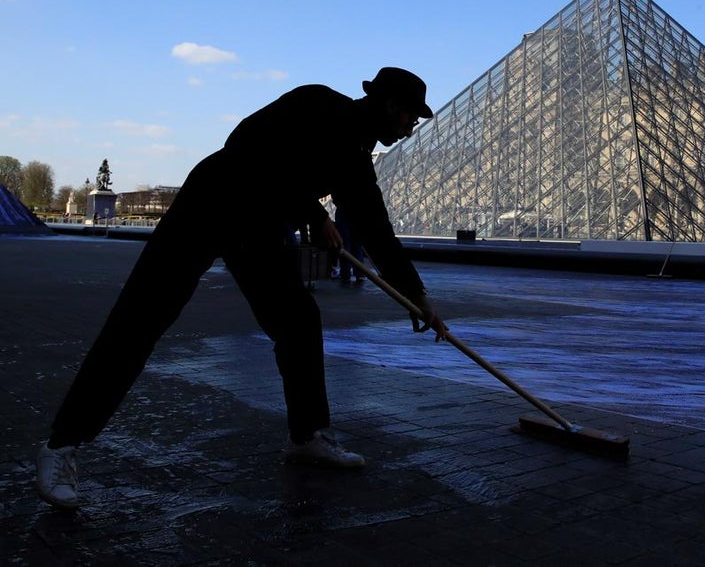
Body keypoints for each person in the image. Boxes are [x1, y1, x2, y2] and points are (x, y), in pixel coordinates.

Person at [35, 67, 448, 509]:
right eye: (410, 118)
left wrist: (416, 297)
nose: (411, 129)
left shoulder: (356, 159)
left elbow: (376, 231)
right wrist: (314, 212)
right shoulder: (316, 103)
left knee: (298, 320)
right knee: (140, 319)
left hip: (260, 227)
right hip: (212, 202)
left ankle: (308, 436)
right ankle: (60, 446)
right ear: (390, 106)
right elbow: (250, 146)